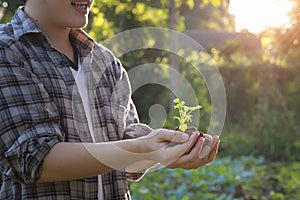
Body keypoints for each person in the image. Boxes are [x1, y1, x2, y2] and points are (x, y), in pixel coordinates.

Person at [0, 0, 220, 199]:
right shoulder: (7, 51)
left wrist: (163, 151)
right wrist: (141, 147)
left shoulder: (106, 61)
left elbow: (126, 156)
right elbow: (34, 159)